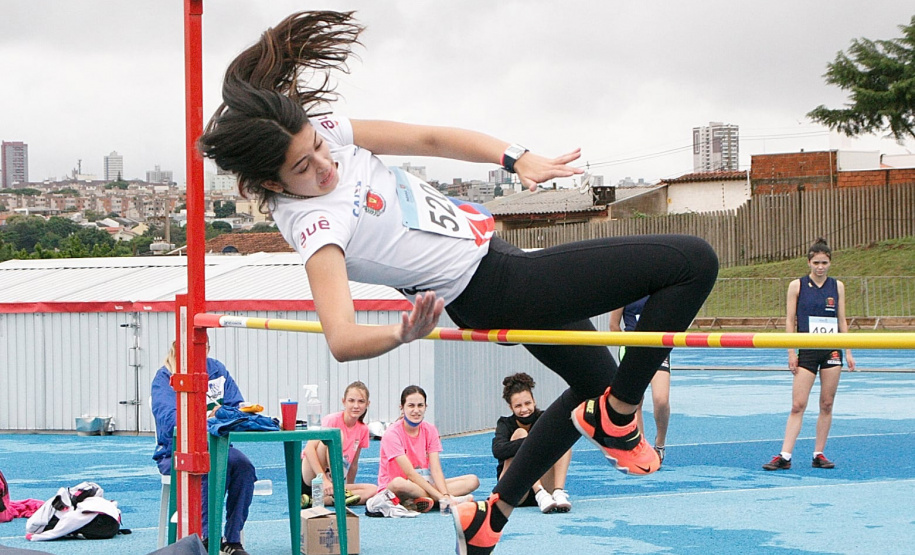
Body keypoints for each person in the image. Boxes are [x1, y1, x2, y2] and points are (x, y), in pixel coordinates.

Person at [197, 11, 718, 554]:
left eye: (317, 149)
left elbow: (429, 137)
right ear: (272, 181)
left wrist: (516, 158)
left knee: (595, 382)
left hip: (495, 255)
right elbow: (342, 338)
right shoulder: (315, 225)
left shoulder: (324, 130)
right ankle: (619, 415)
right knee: (692, 262)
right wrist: (401, 333)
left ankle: (489, 518)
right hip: (493, 286)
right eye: (304, 168)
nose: (324, 165)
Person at [151, 341, 254, 555]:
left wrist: (226, 414)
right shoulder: (165, 377)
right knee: (205, 466)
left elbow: (237, 406)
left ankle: (232, 539)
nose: (201, 351)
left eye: (204, 347)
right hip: (175, 452)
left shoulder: (217, 369)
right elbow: (170, 421)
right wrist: (210, 416)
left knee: (244, 466)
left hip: (218, 447)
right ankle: (206, 538)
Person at [763, 238, 855, 471]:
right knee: (798, 404)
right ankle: (785, 455)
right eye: (816, 263)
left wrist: (848, 351)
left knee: (827, 403)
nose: (820, 267)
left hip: (831, 350)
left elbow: (841, 320)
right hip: (807, 350)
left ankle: (819, 454)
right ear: (809, 263)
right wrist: (791, 351)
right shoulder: (797, 286)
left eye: (824, 263)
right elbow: (790, 320)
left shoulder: (837, 286)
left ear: (830, 263)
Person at [372, 385, 478, 514]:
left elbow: (436, 469)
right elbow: (410, 473)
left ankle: (419, 500)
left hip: (423, 482)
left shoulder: (430, 429)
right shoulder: (392, 434)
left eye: (420, 405)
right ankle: (436, 499)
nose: (416, 410)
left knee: (472, 480)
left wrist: (445, 494)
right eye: (411, 406)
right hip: (399, 486)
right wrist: (442, 497)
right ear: (402, 407)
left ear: (425, 407)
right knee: (398, 483)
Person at [492, 373, 572, 514]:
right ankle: (539, 491)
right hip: (515, 490)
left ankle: (558, 492)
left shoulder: (544, 418)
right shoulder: (505, 423)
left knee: (563, 440)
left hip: (546, 488)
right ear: (511, 407)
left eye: (527, 403)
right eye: (518, 406)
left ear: (534, 401)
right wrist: (533, 442)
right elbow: (498, 450)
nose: (524, 409)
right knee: (520, 433)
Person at [610, 297, 671, 464]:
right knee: (635, 402)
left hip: (657, 347)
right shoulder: (626, 291)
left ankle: (660, 444)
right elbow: (613, 326)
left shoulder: (661, 291)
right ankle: (640, 448)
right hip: (631, 348)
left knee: (661, 400)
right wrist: (627, 346)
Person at [301, 381, 377, 506]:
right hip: (312, 476)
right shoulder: (332, 420)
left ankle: (316, 500)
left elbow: (353, 464)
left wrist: (348, 489)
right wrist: (324, 480)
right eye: (351, 401)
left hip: (333, 481)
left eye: (361, 401)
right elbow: (309, 449)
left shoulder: (363, 429)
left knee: (373, 490)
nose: (356, 406)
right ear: (344, 401)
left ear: (367, 404)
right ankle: (325, 491)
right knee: (337, 434)